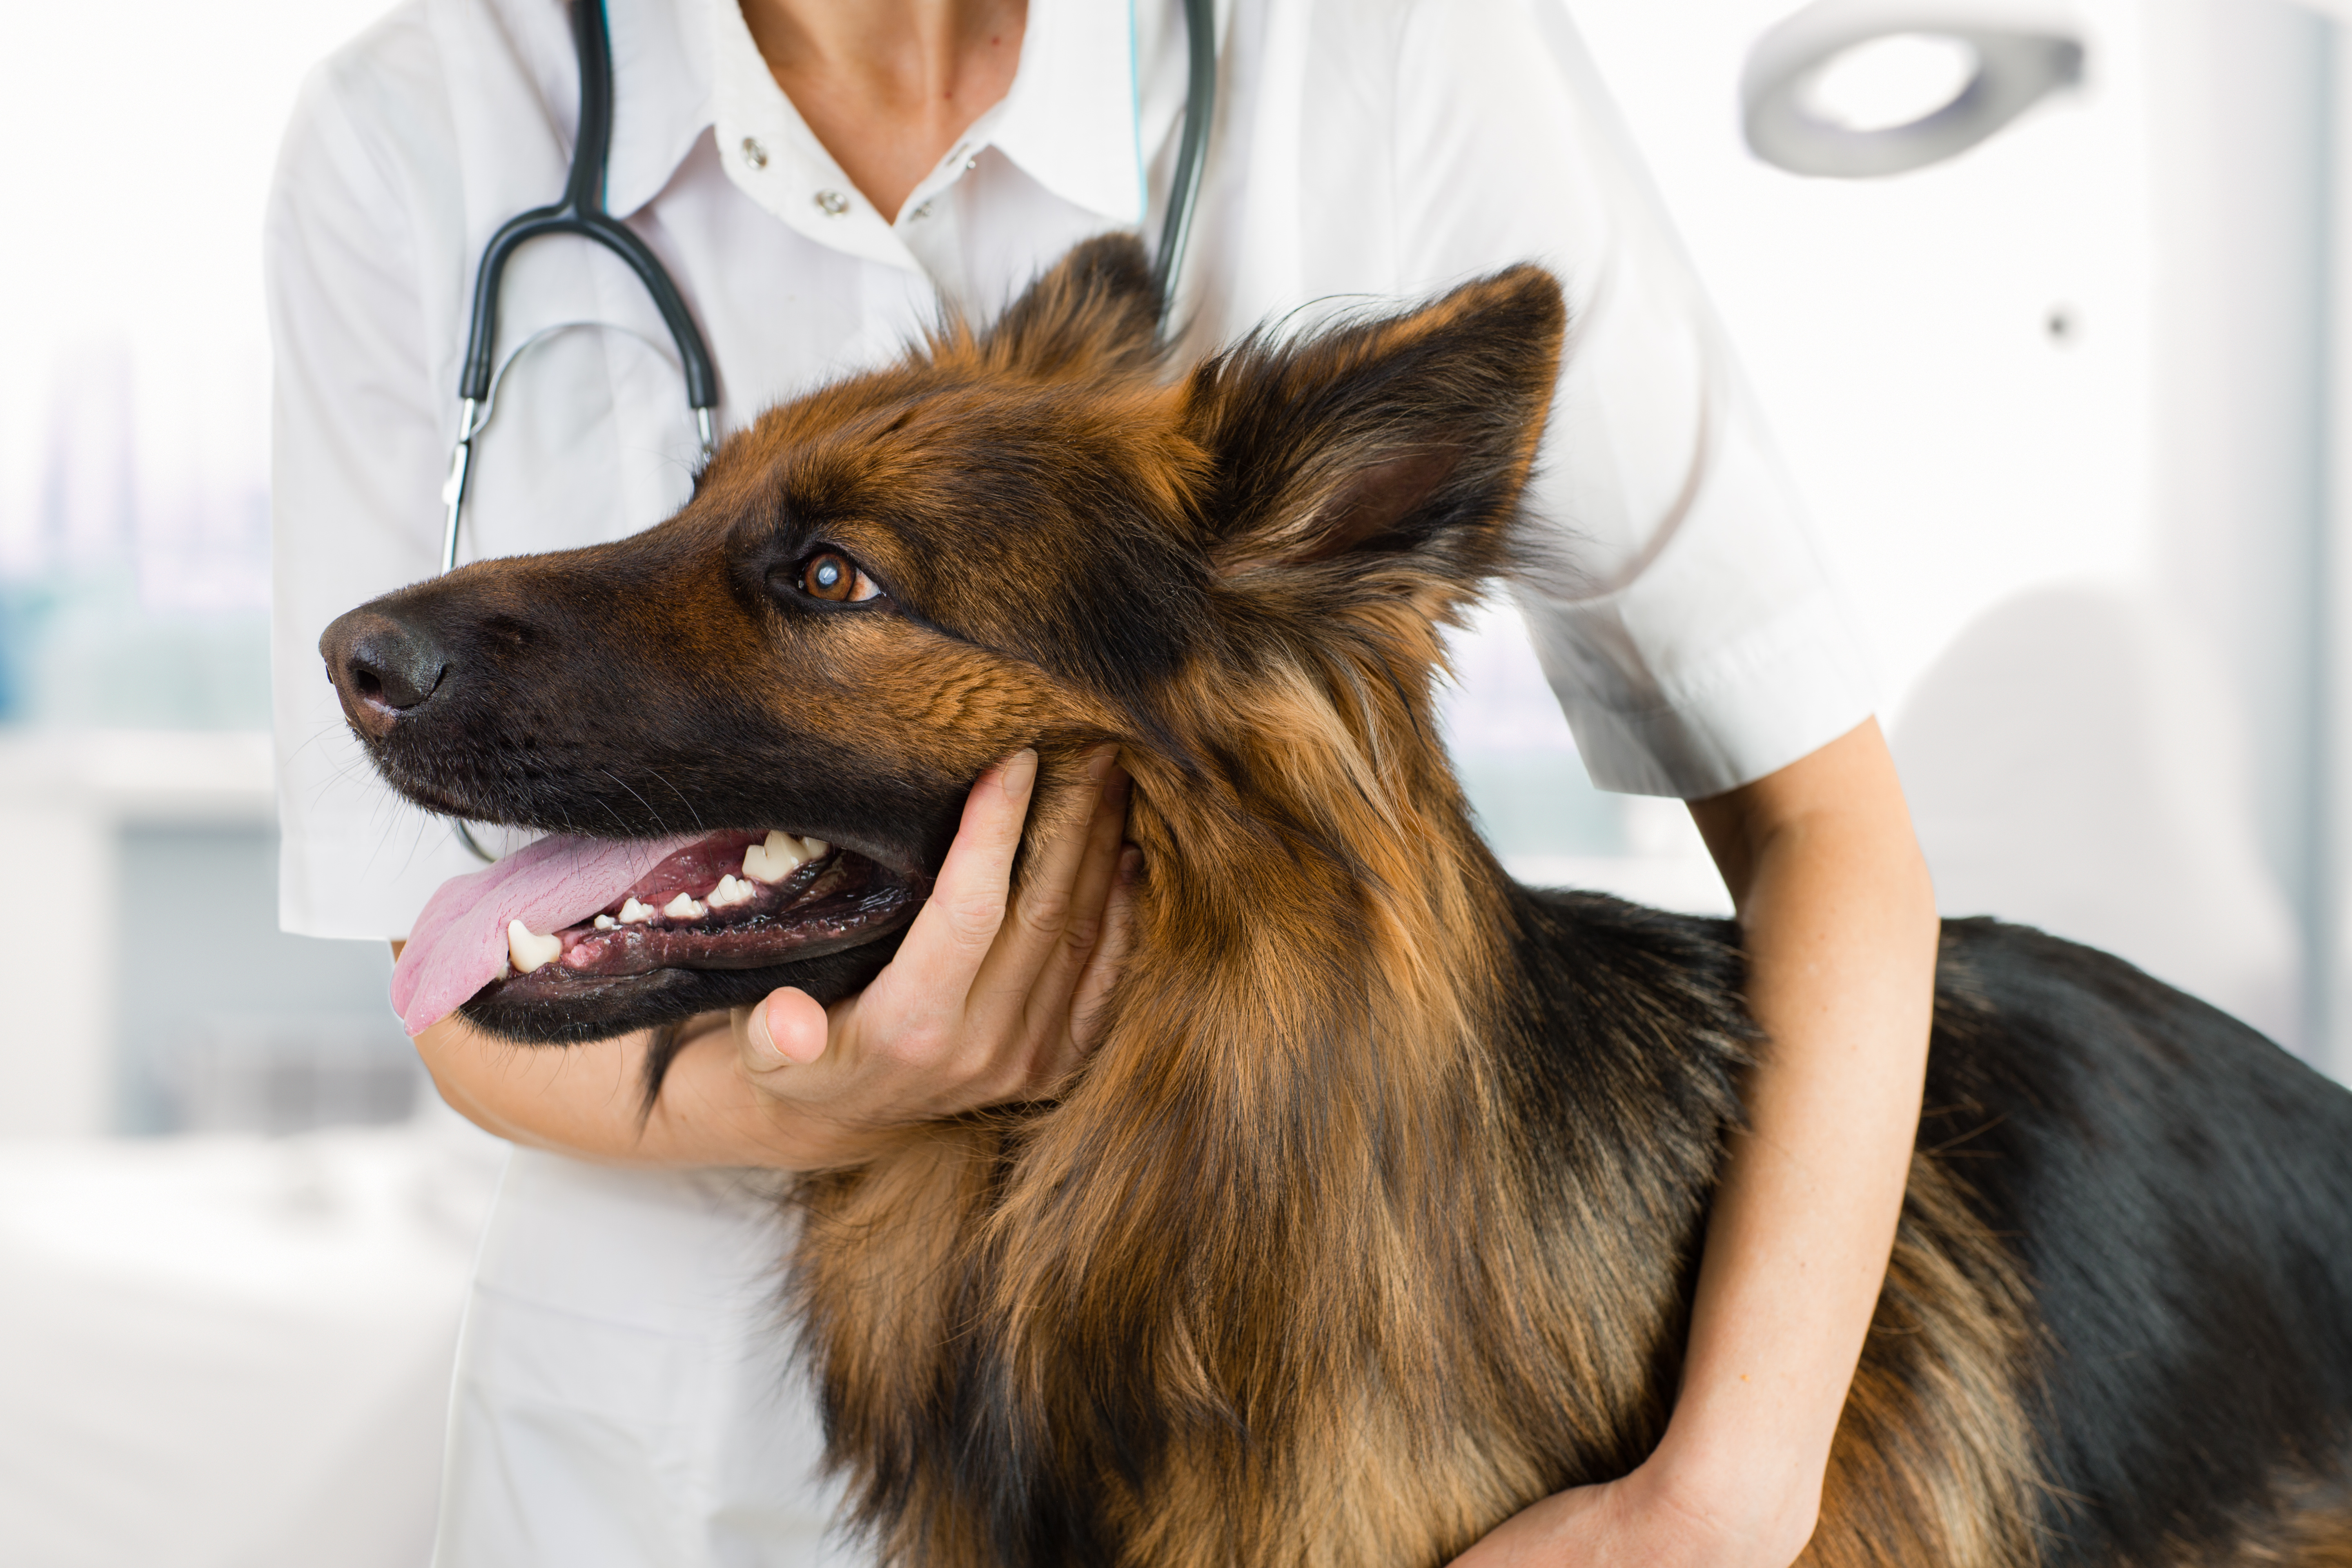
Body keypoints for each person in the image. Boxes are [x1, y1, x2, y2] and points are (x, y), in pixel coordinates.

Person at [266, 0, 1938, 1564]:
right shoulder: (410, 117)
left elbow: (1823, 822)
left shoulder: (1396, 49)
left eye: (828, 580)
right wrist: (832, 1096)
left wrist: (1720, 1499)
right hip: (652, 1463)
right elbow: (451, 1003)